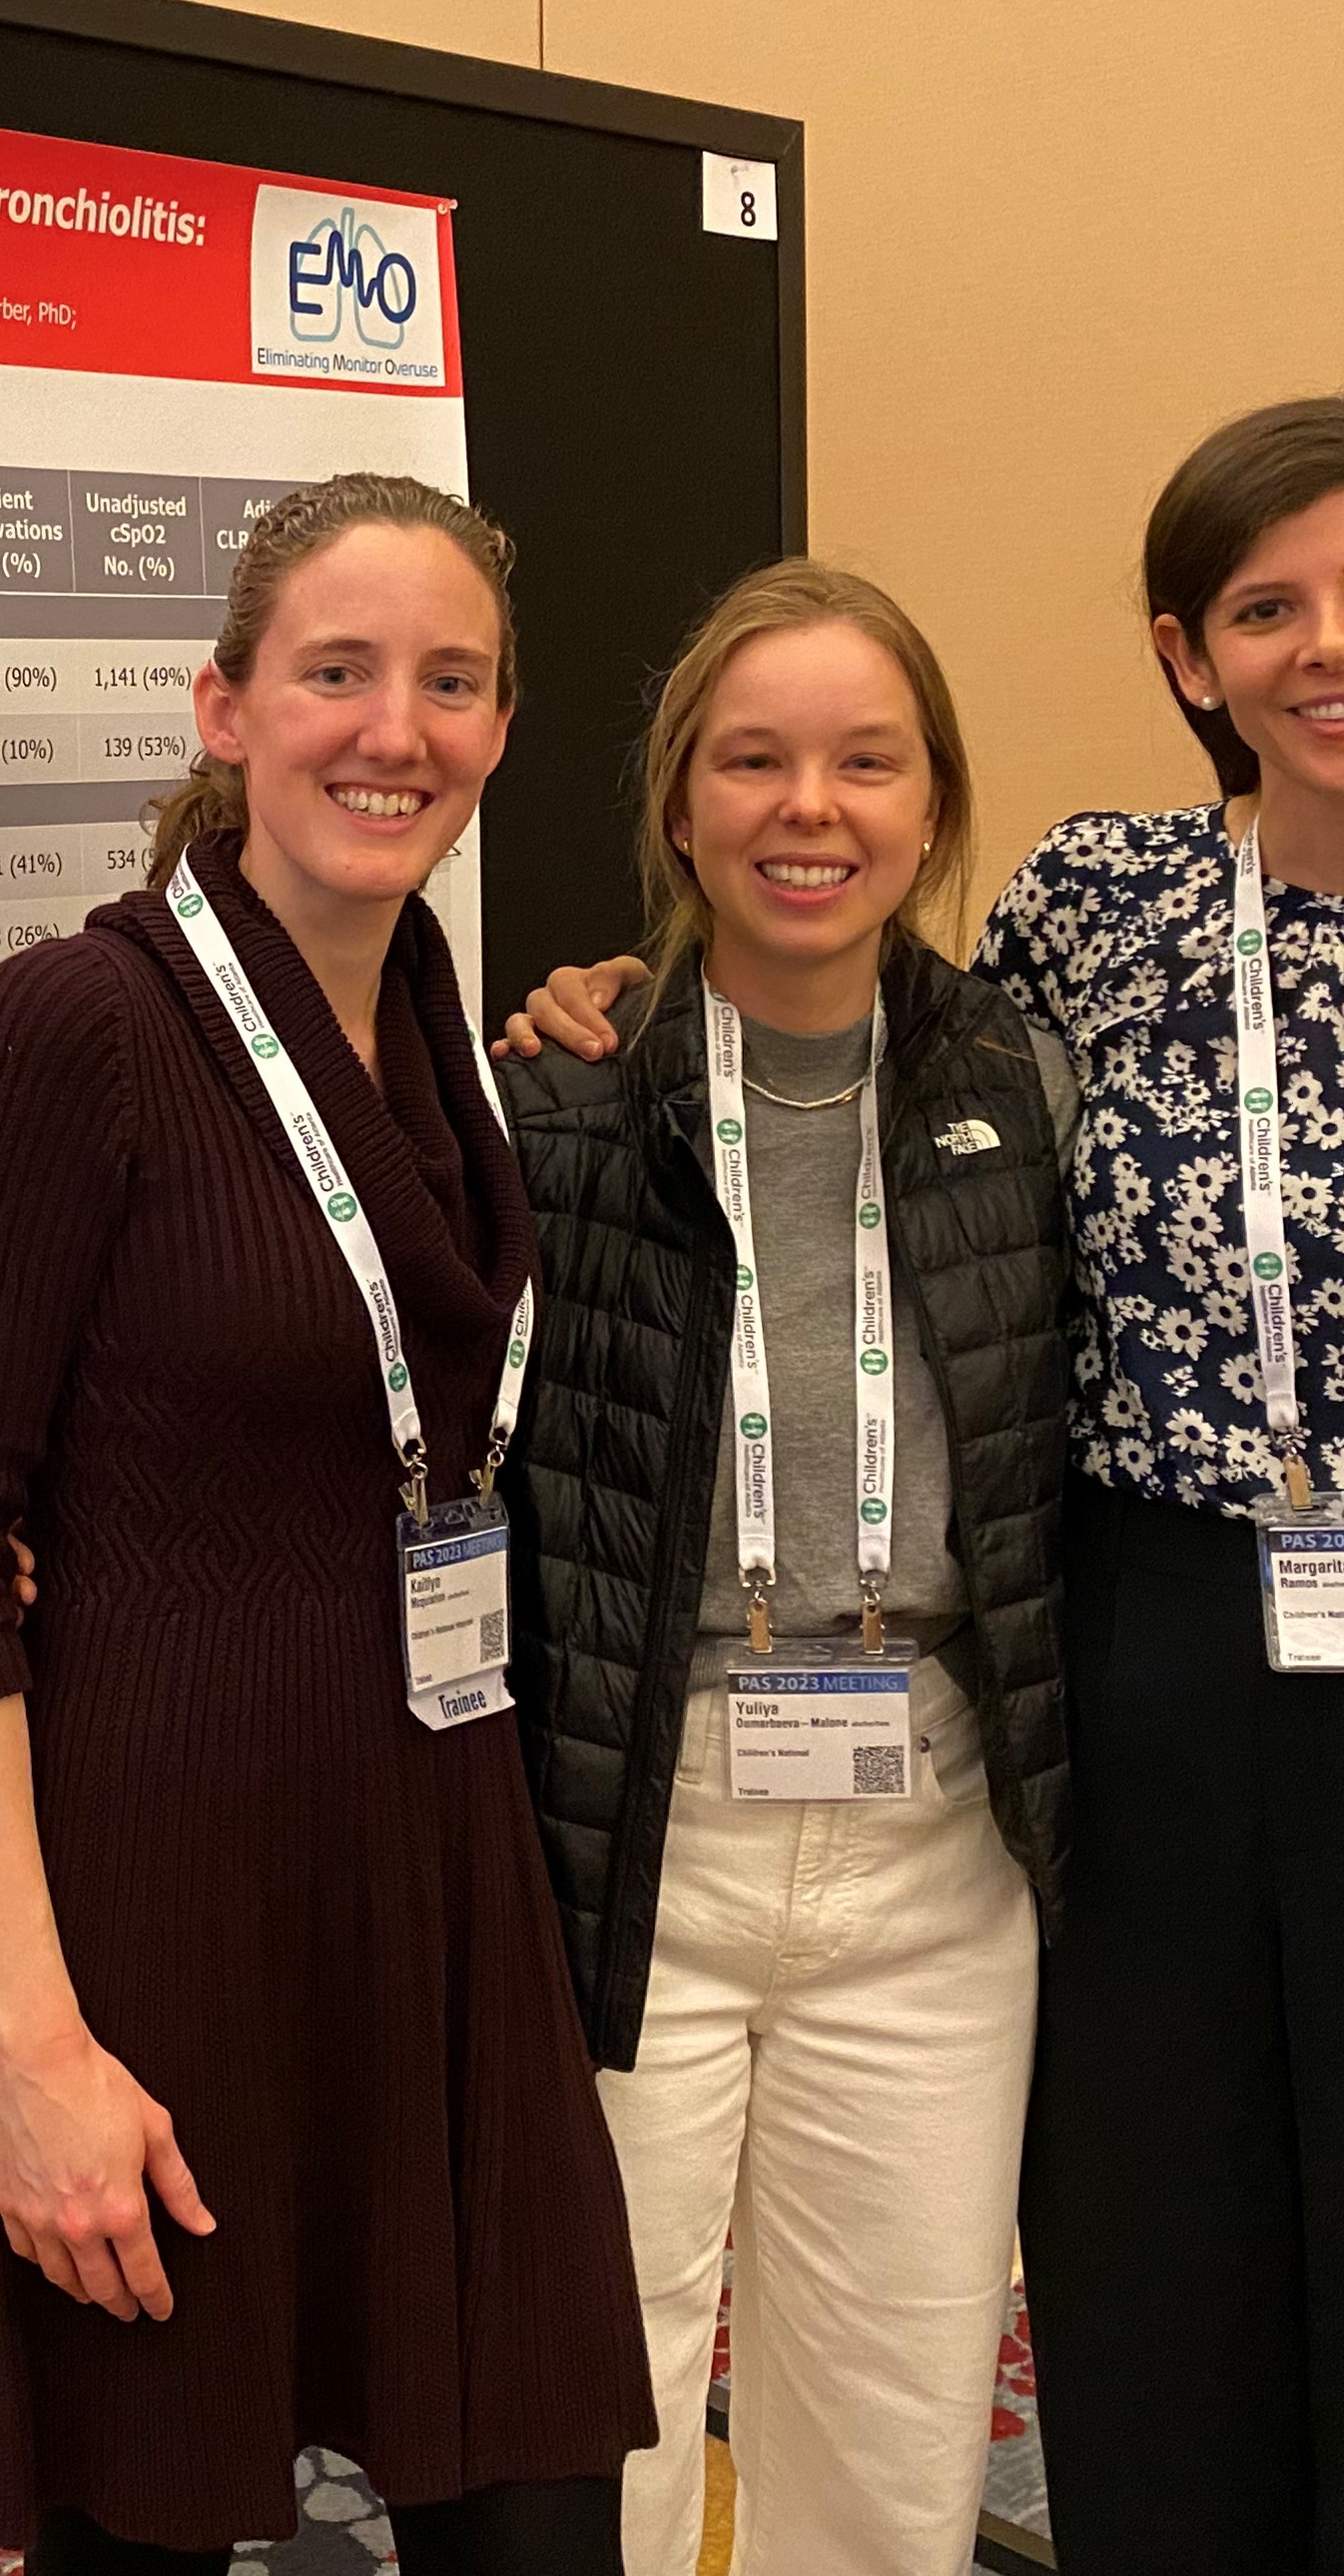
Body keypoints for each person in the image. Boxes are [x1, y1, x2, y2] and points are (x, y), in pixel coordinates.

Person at [514, 393, 1344, 2574]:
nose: (1327, 648)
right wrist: (615, 1001)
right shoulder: (1113, 908)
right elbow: (847, 1049)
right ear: (1190, 655)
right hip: (1144, 1692)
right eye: (1265, 608)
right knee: (1153, 2345)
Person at [0, 472, 647, 2576]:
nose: (395, 728)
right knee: (155, 2521)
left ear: (497, 728)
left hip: (438, 1882)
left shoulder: (446, 1047)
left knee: (540, 2489)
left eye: (450, 682)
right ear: (224, 707)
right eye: (336, 673)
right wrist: (30, 2054)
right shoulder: (75, 1029)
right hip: (161, 1912)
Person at [489, 561, 1074, 2576]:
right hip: (645, 1833)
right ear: (678, 806)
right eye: (753, 759)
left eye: (863, 761)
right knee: (598, 2402)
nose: (806, 807)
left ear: (931, 809)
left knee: (898, 2408)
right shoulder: (555, 1098)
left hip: (929, 1842)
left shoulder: (1029, 1086)